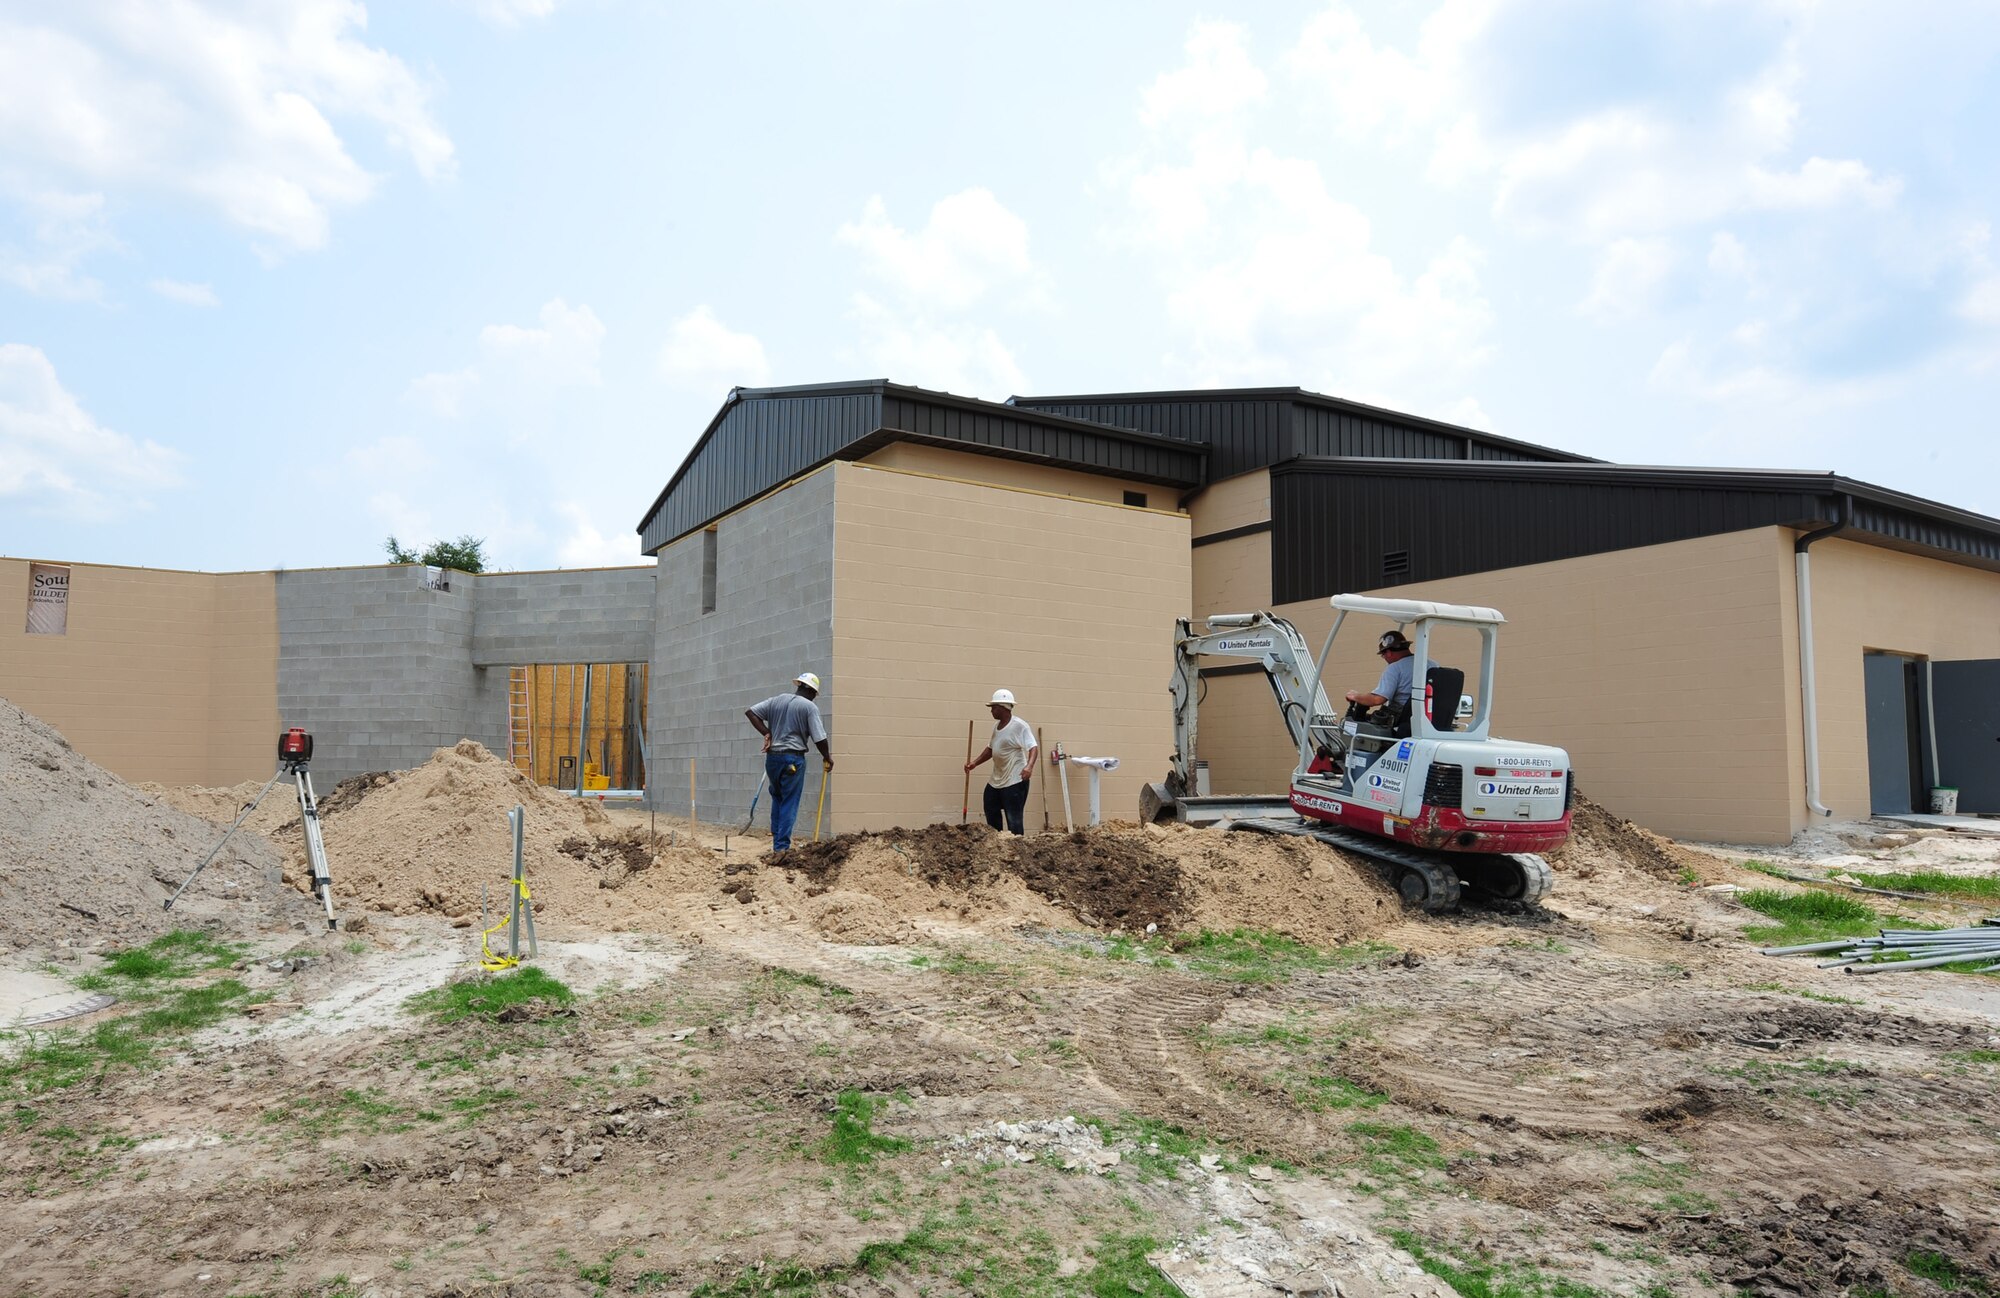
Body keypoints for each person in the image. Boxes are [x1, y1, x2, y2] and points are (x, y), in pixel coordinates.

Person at [745, 672, 833, 852]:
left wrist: (766, 733)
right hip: (792, 759)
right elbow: (819, 738)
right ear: (812, 692)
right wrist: (827, 757)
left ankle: (777, 841)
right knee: (789, 801)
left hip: (773, 759)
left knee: (778, 797)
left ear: (799, 686)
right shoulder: (809, 707)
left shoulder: (777, 700)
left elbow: (751, 712)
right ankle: (781, 848)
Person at [964, 688, 1037, 835]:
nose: (991, 711)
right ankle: (997, 842)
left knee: (1013, 819)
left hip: (1015, 780)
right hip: (997, 779)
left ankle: (1017, 848)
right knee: (990, 805)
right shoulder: (996, 727)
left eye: (993, 708)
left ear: (1003, 708)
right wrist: (974, 763)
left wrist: (1029, 767)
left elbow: (1033, 747)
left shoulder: (1019, 726)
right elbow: (991, 749)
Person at [1345, 630, 1416, 728]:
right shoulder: (1431, 664)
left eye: (1383, 655)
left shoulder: (1395, 668)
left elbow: (1377, 699)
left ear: (1389, 652)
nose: (1384, 658)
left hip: (1401, 721)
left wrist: (1355, 696)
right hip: (1426, 719)